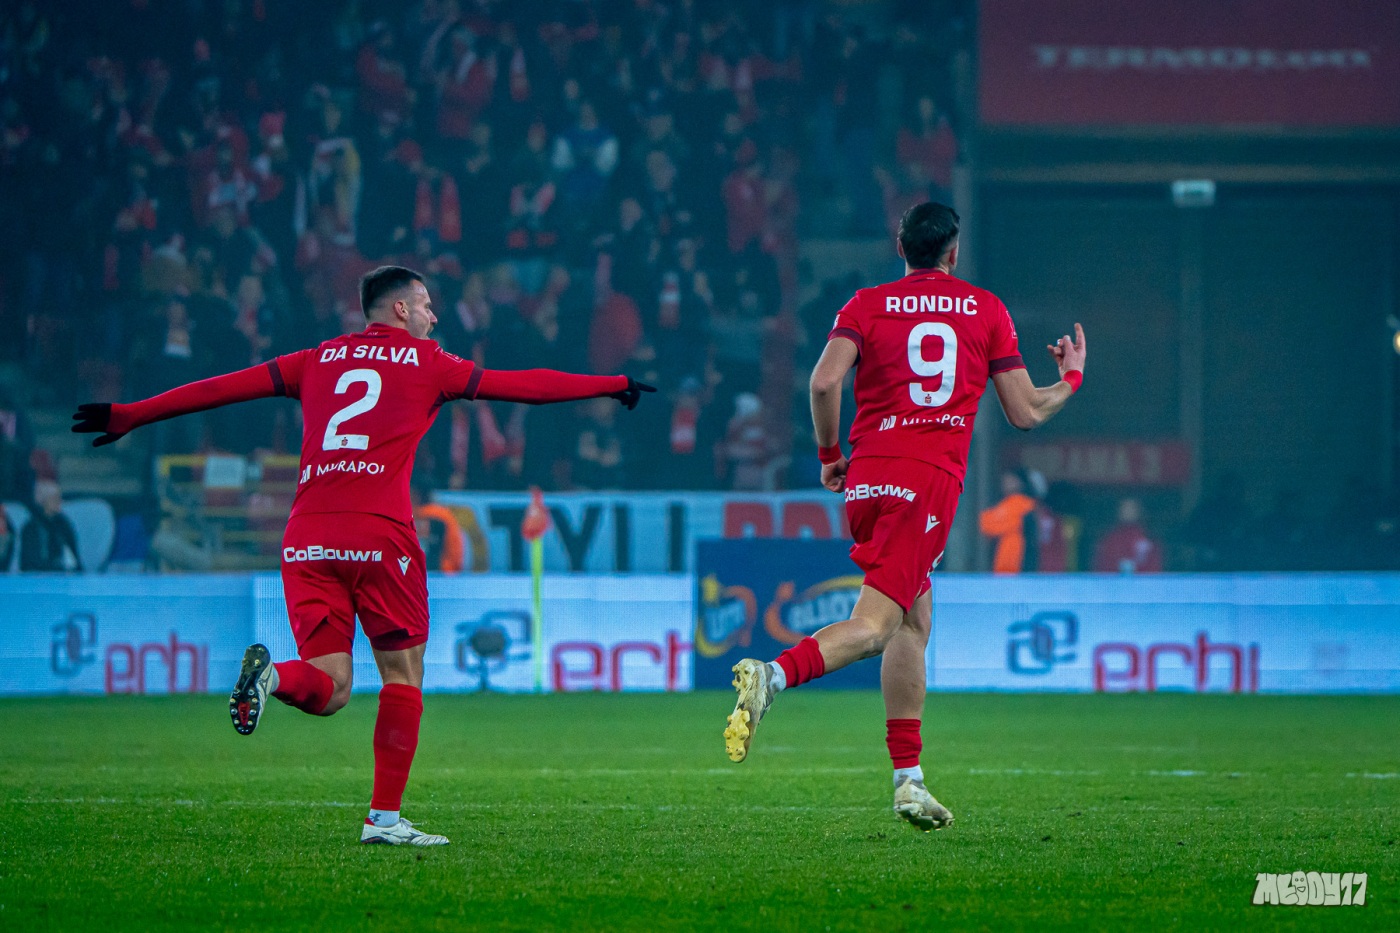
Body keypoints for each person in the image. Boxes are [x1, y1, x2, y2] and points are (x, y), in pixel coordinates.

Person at [74, 266, 654, 846]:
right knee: (402, 673)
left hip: (306, 537)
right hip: (379, 534)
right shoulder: (431, 362)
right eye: (425, 305)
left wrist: (131, 414)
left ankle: (271, 676)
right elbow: (523, 385)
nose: (434, 316)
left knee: (330, 687)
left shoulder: (314, 359)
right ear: (400, 309)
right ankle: (383, 820)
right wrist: (610, 383)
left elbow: (220, 389)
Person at [722, 202, 1086, 831]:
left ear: (901, 248)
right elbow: (1026, 411)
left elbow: (822, 383)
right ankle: (772, 676)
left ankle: (908, 782)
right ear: (953, 252)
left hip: (867, 478)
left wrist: (830, 456)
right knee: (874, 626)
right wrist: (1072, 379)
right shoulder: (985, 309)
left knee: (913, 623)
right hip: (925, 482)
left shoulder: (865, 305)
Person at [978, 469, 1040, 574]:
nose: (1006, 483)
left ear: (1020, 482)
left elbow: (988, 525)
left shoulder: (1024, 505)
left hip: (1018, 563)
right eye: (1005, 480)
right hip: (1002, 564)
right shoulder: (1006, 503)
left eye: (1011, 480)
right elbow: (985, 524)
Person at [19, 480, 83, 572]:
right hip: (37, 576)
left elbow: (73, 556)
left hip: (64, 574)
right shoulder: (31, 527)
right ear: (43, 501)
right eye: (54, 498)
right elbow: (29, 562)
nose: (59, 502)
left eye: (59, 498)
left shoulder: (64, 524)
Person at [1092, 497, 1163, 573]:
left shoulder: (1148, 538)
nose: (1128, 511)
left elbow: (1155, 568)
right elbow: (1101, 565)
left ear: (1138, 511)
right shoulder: (1109, 539)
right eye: (1125, 508)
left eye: (1131, 508)